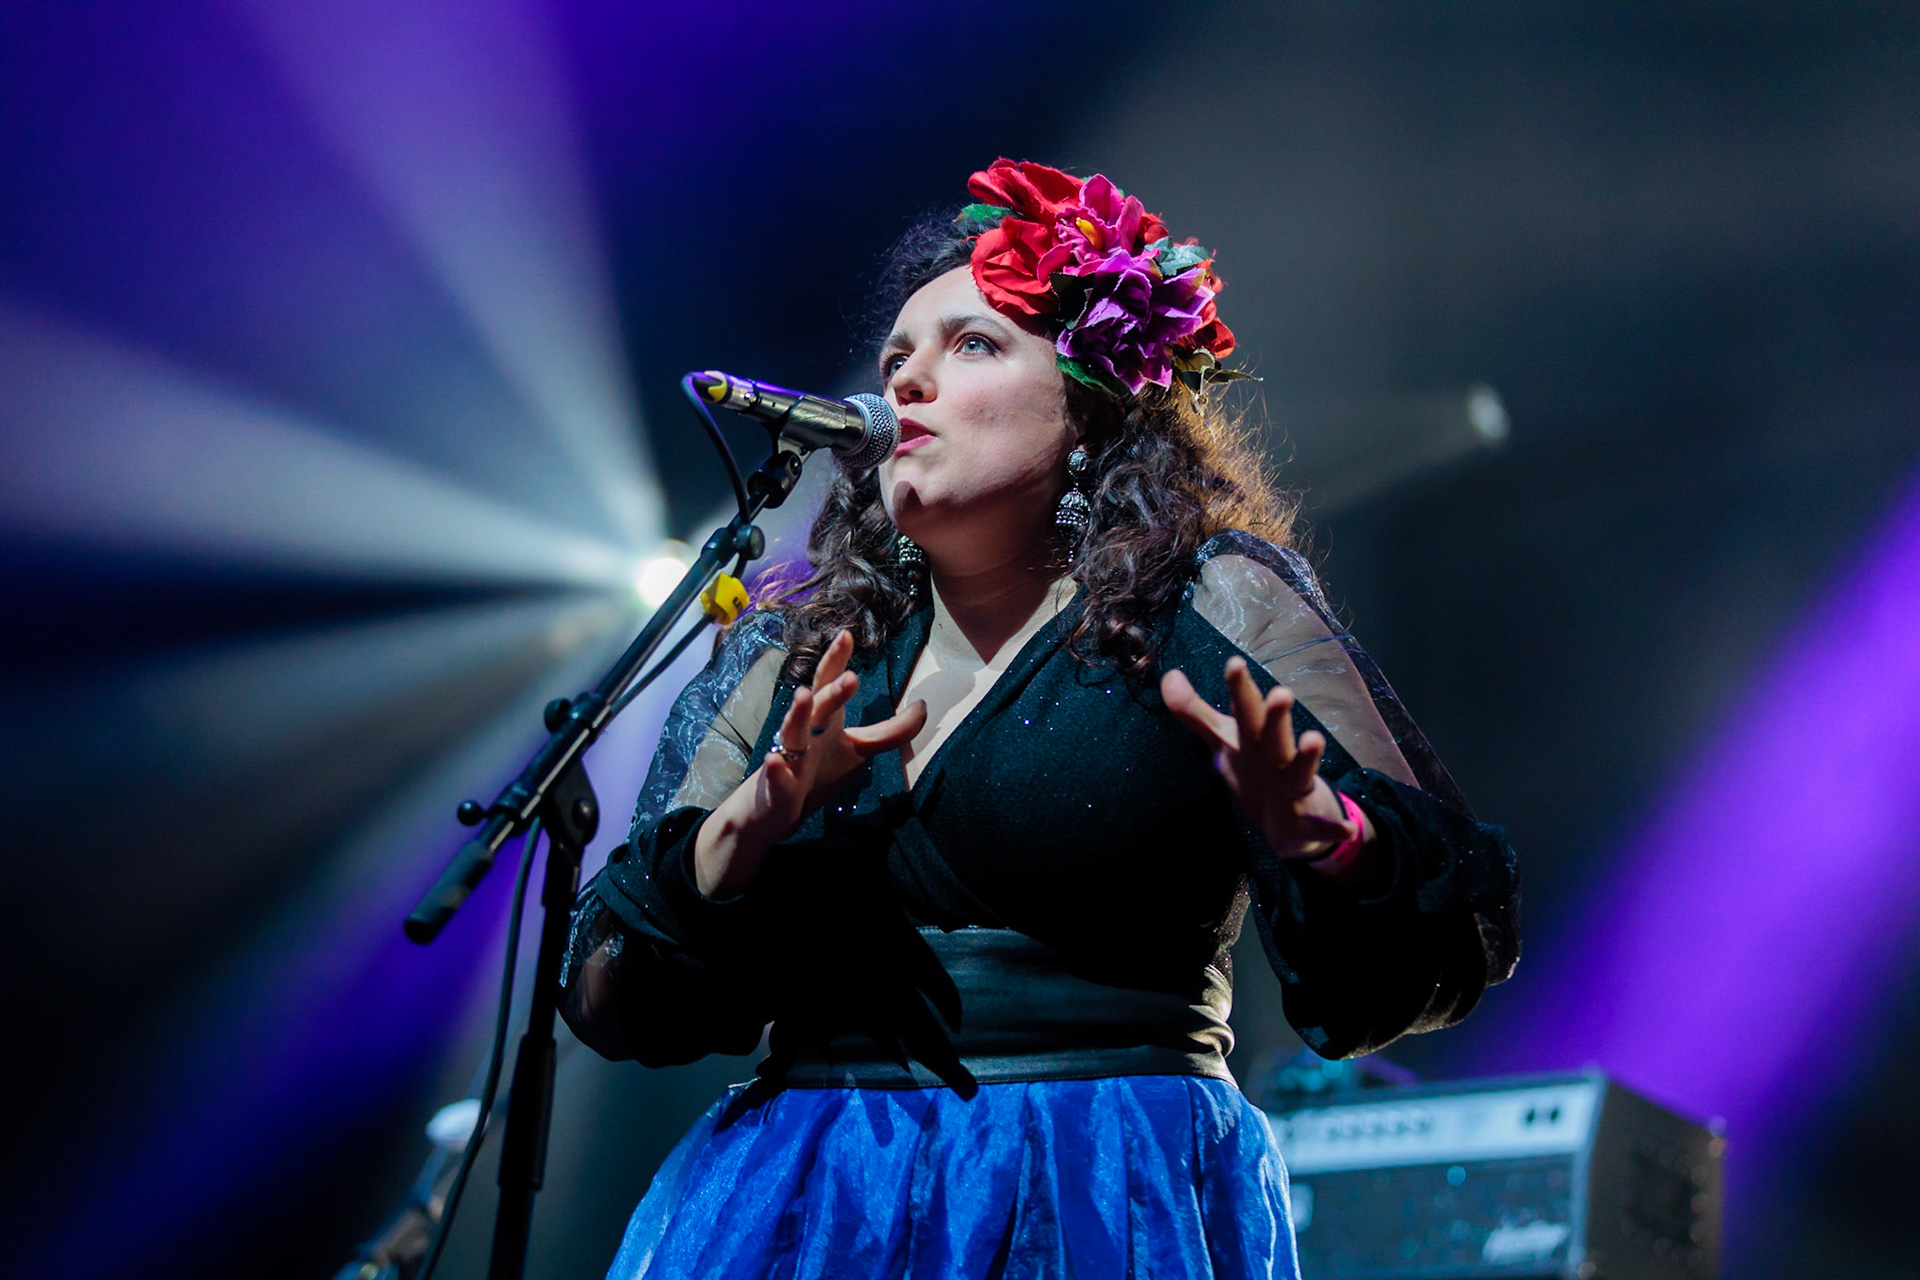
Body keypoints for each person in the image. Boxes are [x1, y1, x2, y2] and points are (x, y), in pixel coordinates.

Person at [559, 158, 1519, 1280]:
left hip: (1098, 1190)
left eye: (971, 344)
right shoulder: (791, 655)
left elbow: (1451, 948)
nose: (907, 384)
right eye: (894, 361)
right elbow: (612, 995)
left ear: (1095, 400)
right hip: (809, 1201)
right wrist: (749, 826)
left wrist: (1334, 841)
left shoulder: (1204, 603)